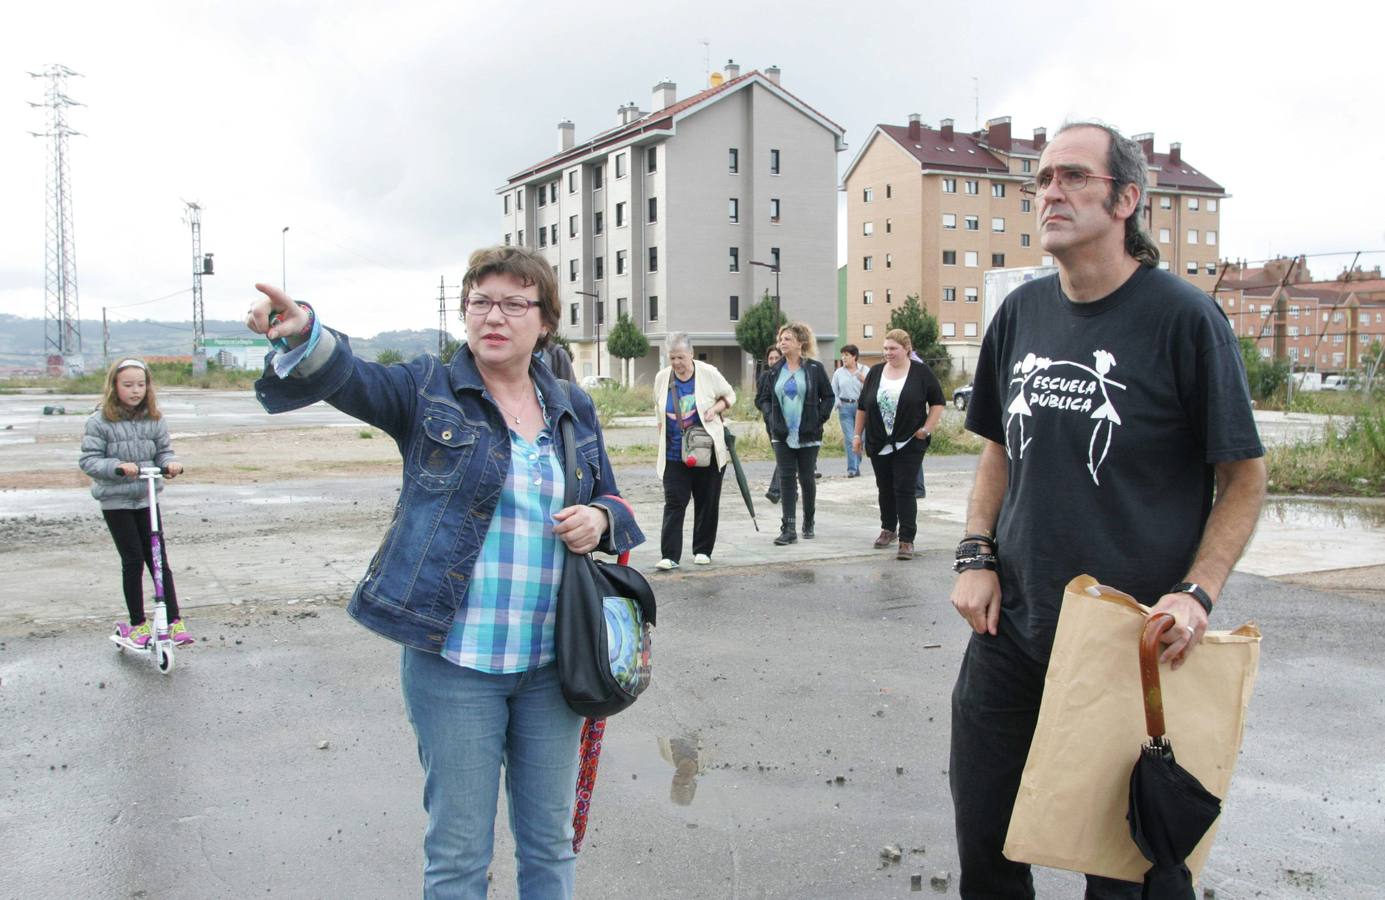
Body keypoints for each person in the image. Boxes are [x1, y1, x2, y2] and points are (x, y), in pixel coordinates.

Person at [246, 245, 644, 900]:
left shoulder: (571, 403)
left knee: (549, 844)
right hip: (454, 662)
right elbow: (352, 378)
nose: (495, 316)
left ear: (543, 320)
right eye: (481, 301)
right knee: (459, 853)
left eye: (514, 303)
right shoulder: (427, 389)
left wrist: (601, 519)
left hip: (553, 664)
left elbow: (614, 498)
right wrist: (307, 332)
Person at [947, 122, 1267, 898]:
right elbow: (997, 449)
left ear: (1126, 199)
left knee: (1127, 870)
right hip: (1011, 633)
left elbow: (1245, 478)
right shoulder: (1020, 313)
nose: (1049, 191)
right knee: (986, 852)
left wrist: (1196, 595)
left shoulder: (1184, 320)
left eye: (1072, 177)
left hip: (1133, 645)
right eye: (1043, 177)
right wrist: (974, 554)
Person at [79, 358, 193, 647]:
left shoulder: (154, 418)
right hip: (116, 501)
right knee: (132, 561)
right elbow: (89, 460)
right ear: (115, 386)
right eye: (128, 385)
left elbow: (164, 452)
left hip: (146, 497)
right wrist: (117, 467)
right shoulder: (99, 421)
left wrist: (170, 464)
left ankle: (173, 619)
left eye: (141, 384)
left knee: (157, 561)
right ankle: (137, 624)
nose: (135, 390)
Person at [852, 330, 945, 561]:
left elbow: (938, 402)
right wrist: (856, 436)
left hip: (909, 441)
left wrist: (927, 428)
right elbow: (863, 406)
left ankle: (906, 539)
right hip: (878, 441)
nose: (888, 353)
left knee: (904, 488)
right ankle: (888, 529)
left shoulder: (921, 372)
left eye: (893, 349)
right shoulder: (875, 373)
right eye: (885, 349)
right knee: (884, 487)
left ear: (906, 349)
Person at [652, 333, 736, 570]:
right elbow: (658, 408)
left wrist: (715, 409)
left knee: (706, 501)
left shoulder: (707, 373)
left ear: (691, 353)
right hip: (673, 453)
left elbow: (730, 395)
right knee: (674, 502)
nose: (677, 362)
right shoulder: (662, 378)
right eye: (672, 358)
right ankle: (669, 555)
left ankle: (702, 550)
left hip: (706, 451)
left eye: (681, 357)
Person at [755, 322, 834, 545]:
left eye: (787, 338)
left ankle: (808, 521)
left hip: (808, 434)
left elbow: (828, 397)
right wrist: (771, 417)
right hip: (781, 434)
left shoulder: (815, 369)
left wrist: (818, 418)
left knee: (807, 479)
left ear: (801, 342)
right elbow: (762, 398)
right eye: (781, 338)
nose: (782, 342)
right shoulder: (774, 371)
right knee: (786, 479)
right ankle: (788, 529)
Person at [832, 344, 867, 477]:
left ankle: (856, 464)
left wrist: (864, 380)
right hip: (845, 408)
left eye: (847, 355)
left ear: (854, 357)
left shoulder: (865, 370)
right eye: (843, 355)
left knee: (860, 439)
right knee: (849, 438)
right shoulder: (838, 373)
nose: (844, 358)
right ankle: (852, 469)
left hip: (861, 408)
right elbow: (833, 390)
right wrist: (837, 402)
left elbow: (873, 388)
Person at [760, 346, 784, 504]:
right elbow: (760, 399)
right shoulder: (765, 377)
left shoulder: (789, 374)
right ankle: (789, 490)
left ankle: (775, 490)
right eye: (771, 358)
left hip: (790, 422)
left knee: (785, 457)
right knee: (783, 457)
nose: (773, 361)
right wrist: (769, 414)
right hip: (772, 423)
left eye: (776, 358)